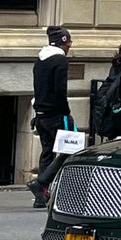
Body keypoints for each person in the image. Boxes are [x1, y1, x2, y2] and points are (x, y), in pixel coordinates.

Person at [27, 26, 73, 208]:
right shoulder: (60, 60)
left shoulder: (40, 59)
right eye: (69, 41)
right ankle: (41, 183)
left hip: (41, 114)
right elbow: (60, 89)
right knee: (69, 150)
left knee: (47, 151)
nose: (70, 44)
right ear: (63, 41)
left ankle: (41, 196)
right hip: (56, 113)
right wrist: (66, 112)